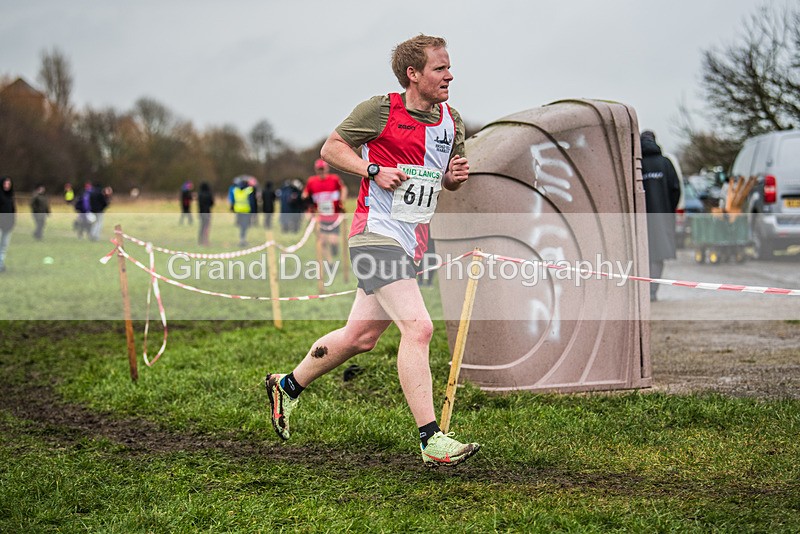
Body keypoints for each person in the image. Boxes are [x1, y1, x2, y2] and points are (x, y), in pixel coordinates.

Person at [265, 34, 479, 467]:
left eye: (449, 66)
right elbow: (331, 149)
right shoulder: (380, 110)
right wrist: (373, 169)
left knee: (360, 338)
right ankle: (431, 439)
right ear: (412, 75)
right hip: (374, 234)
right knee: (418, 329)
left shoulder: (452, 121)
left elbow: (445, 181)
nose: (449, 75)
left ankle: (286, 386)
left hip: (411, 241)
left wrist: (454, 176)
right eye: (439, 69)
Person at [640, 130, 681, 301]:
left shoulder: (636, 163)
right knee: (658, 256)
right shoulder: (666, 163)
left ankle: (642, 292)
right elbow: (676, 189)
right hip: (662, 217)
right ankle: (652, 292)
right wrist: (668, 209)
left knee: (641, 254)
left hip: (640, 218)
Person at [303, 158, 347, 262]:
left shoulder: (334, 179)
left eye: (323, 169)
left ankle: (334, 249)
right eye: (319, 169)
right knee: (322, 241)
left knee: (333, 241)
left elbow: (343, 189)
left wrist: (342, 200)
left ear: (327, 169)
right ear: (316, 170)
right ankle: (330, 262)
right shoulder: (311, 181)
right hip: (319, 217)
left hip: (334, 216)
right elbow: (305, 195)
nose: (321, 172)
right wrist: (308, 209)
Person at [230, 177, 255, 247]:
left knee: (241, 226)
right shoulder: (249, 190)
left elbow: (233, 200)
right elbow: (252, 202)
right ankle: (243, 240)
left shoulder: (236, 190)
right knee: (245, 226)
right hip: (246, 211)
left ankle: (242, 239)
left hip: (238, 210)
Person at [0, 177, 16, 273]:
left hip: (8, 225)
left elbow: (13, 210)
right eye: (5, 183)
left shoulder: (10, 196)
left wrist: (12, 222)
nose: (7, 186)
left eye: (8, 184)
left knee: (4, 246)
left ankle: (1, 264)